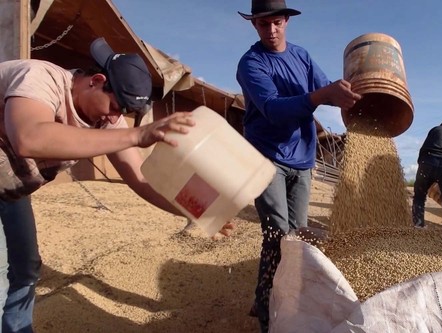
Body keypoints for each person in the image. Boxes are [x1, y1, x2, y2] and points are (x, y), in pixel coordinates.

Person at [0, 37, 234, 333]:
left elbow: (141, 177)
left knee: (25, 268)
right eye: (114, 107)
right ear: (97, 81)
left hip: (9, 192)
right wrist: (137, 135)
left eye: (121, 113)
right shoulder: (40, 77)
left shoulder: (108, 120)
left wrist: (198, 210)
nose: (113, 118)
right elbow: (29, 138)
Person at [235, 0, 361, 331]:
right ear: (255, 26)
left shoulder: (301, 56)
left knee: (299, 236)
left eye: (277, 22)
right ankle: (266, 310)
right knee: (277, 235)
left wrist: (351, 94)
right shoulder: (251, 64)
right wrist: (322, 96)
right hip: (266, 157)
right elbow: (273, 109)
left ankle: (290, 300)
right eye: (264, 24)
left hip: (303, 159)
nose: (272, 30)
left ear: (287, 22)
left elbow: (325, 90)